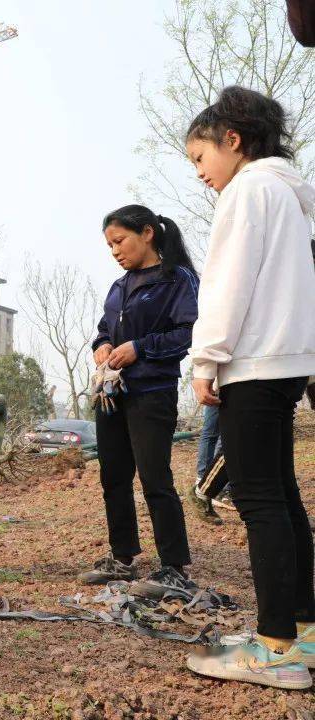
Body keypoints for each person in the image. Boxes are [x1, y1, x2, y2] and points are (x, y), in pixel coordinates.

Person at [182, 86, 315, 689]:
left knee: (261, 504)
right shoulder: (289, 194)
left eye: (200, 158)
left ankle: (276, 646)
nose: (203, 174)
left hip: (254, 362)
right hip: (287, 359)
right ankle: (302, 628)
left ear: (231, 140)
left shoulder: (247, 191)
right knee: (281, 498)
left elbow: (227, 285)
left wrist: (204, 359)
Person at [79, 204, 200, 603]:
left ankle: (174, 567)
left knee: (154, 477)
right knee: (113, 477)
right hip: (112, 395)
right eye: (110, 244)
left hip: (152, 392)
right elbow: (102, 329)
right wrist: (103, 346)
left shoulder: (177, 279)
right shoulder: (119, 286)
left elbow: (188, 332)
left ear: (147, 233)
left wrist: (140, 349)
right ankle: (123, 556)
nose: (115, 250)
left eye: (120, 240)